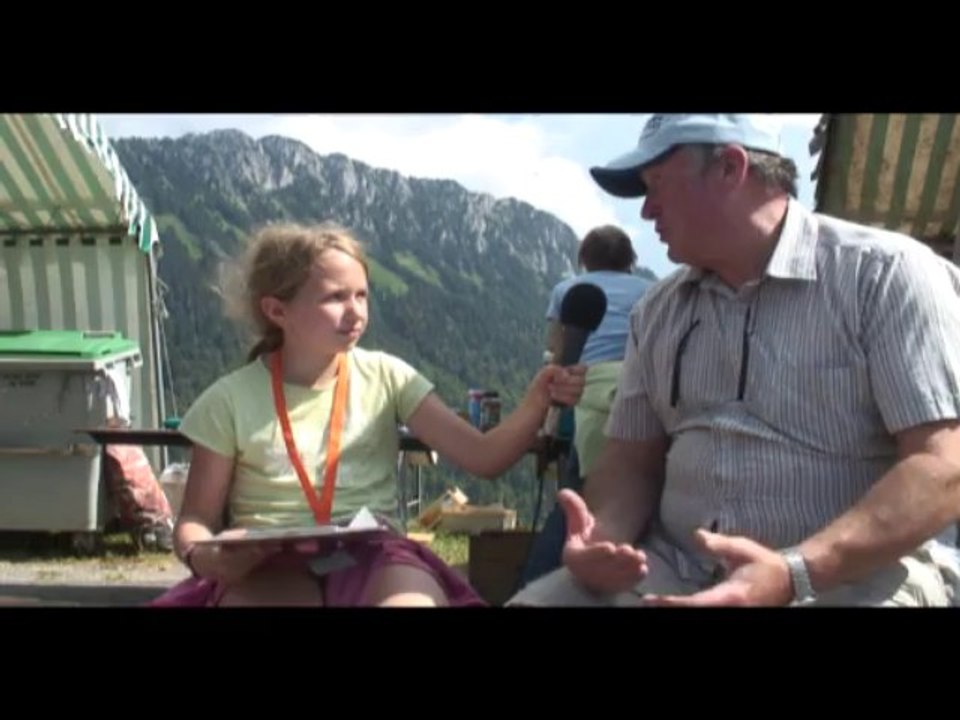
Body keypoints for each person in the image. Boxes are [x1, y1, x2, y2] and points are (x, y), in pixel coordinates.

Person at [509, 113, 960, 607]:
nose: (646, 211)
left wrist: (795, 572)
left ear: (730, 166)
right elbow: (630, 462)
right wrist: (603, 540)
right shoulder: (656, 311)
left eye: (656, 184)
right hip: (672, 571)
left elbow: (942, 465)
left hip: (852, 577)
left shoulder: (886, 275)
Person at [150, 222, 584, 607]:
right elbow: (196, 520)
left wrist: (536, 400)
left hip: (376, 552)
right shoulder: (228, 399)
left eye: (361, 294)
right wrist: (204, 555)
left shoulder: (389, 376)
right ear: (277, 311)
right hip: (266, 563)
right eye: (335, 297)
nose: (356, 311)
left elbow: (484, 457)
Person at [520, 225, 653, 585]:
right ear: (630, 260)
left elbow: (559, 356)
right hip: (638, 397)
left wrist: (547, 422)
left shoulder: (568, 290)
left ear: (584, 259)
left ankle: (539, 584)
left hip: (582, 393)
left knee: (573, 500)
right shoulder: (651, 290)